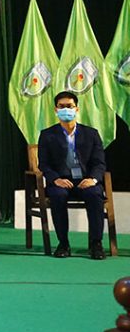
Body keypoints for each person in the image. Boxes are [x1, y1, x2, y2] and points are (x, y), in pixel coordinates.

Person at [37, 91, 107, 260]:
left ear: (77, 109)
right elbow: (44, 164)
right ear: (56, 110)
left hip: (86, 181)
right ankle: (63, 244)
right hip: (61, 181)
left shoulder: (91, 134)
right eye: (61, 106)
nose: (66, 110)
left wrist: (93, 179)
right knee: (58, 195)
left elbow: (99, 163)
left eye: (69, 106)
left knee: (95, 194)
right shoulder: (47, 135)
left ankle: (96, 244)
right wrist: (55, 179)